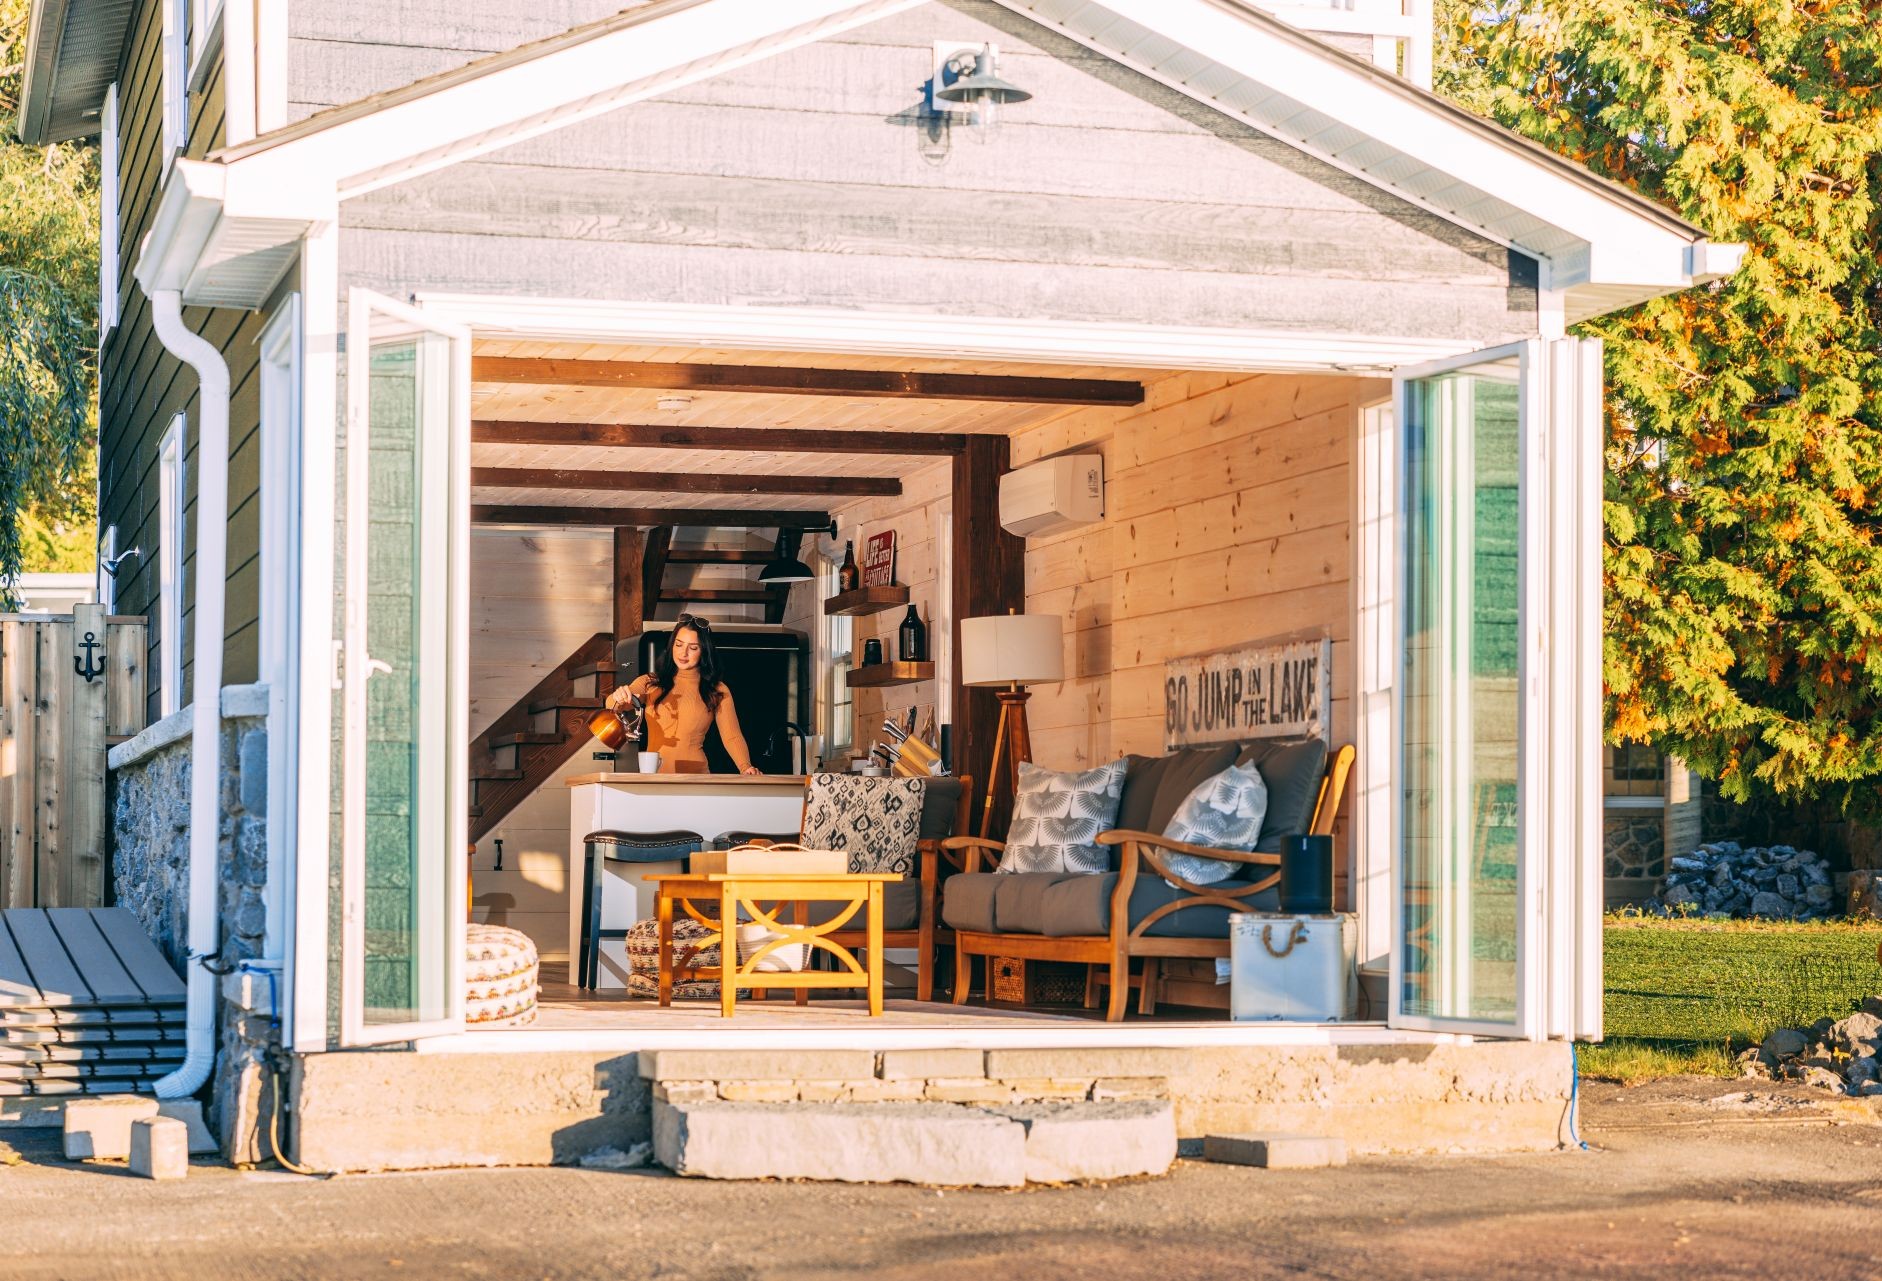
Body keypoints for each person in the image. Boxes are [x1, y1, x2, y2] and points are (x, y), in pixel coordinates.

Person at [606, 615, 760, 774]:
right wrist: (618, 696)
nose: (683, 653)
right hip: (655, 778)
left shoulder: (717, 689)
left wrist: (745, 767)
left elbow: (732, 736)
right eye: (679, 645)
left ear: (704, 651)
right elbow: (612, 705)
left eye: (693, 648)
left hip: (696, 779)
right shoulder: (650, 682)